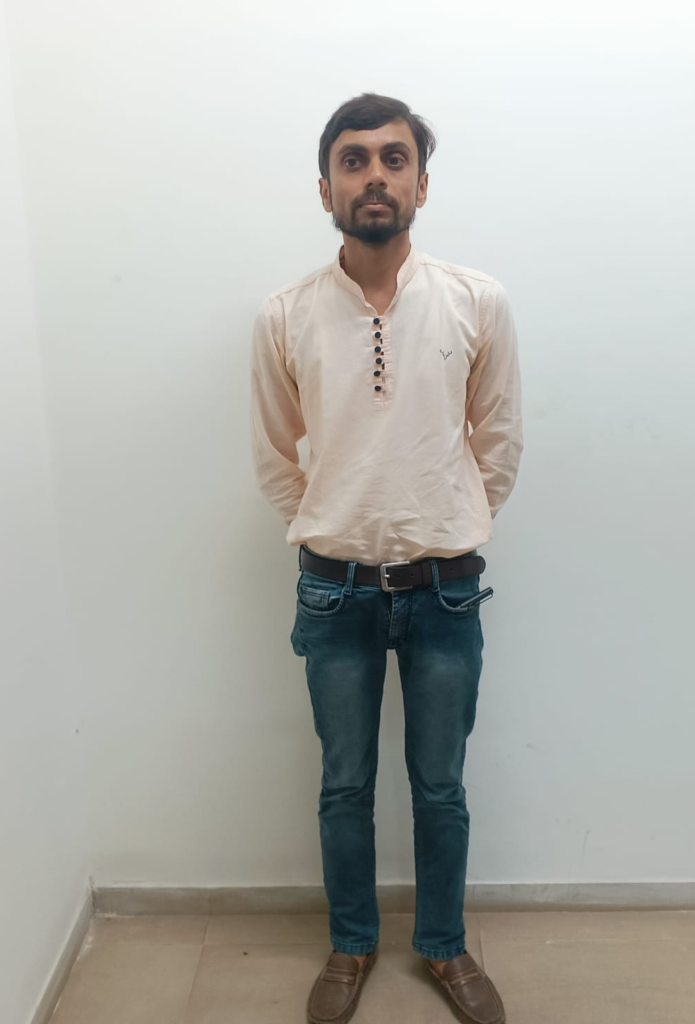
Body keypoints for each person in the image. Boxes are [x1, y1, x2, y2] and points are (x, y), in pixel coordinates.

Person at [250, 92, 522, 1024]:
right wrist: (333, 521)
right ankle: (351, 943)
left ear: (422, 184)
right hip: (335, 594)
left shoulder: (476, 300)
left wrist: (447, 516)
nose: (375, 176)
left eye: (394, 159)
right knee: (345, 785)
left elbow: (498, 442)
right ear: (325, 186)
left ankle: (443, 946)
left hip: (447, 590)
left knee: (440, 786)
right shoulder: (284, 315)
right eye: (355, 160)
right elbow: (274, 455)